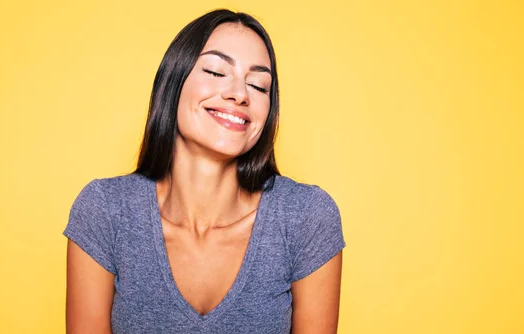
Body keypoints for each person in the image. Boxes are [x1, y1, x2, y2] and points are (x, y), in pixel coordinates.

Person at [64, 9, 346, 334]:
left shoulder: (307, 218)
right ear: (174, 82)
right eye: (215, 71)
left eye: (258, 85)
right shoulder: (104, 211)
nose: (240, 94)